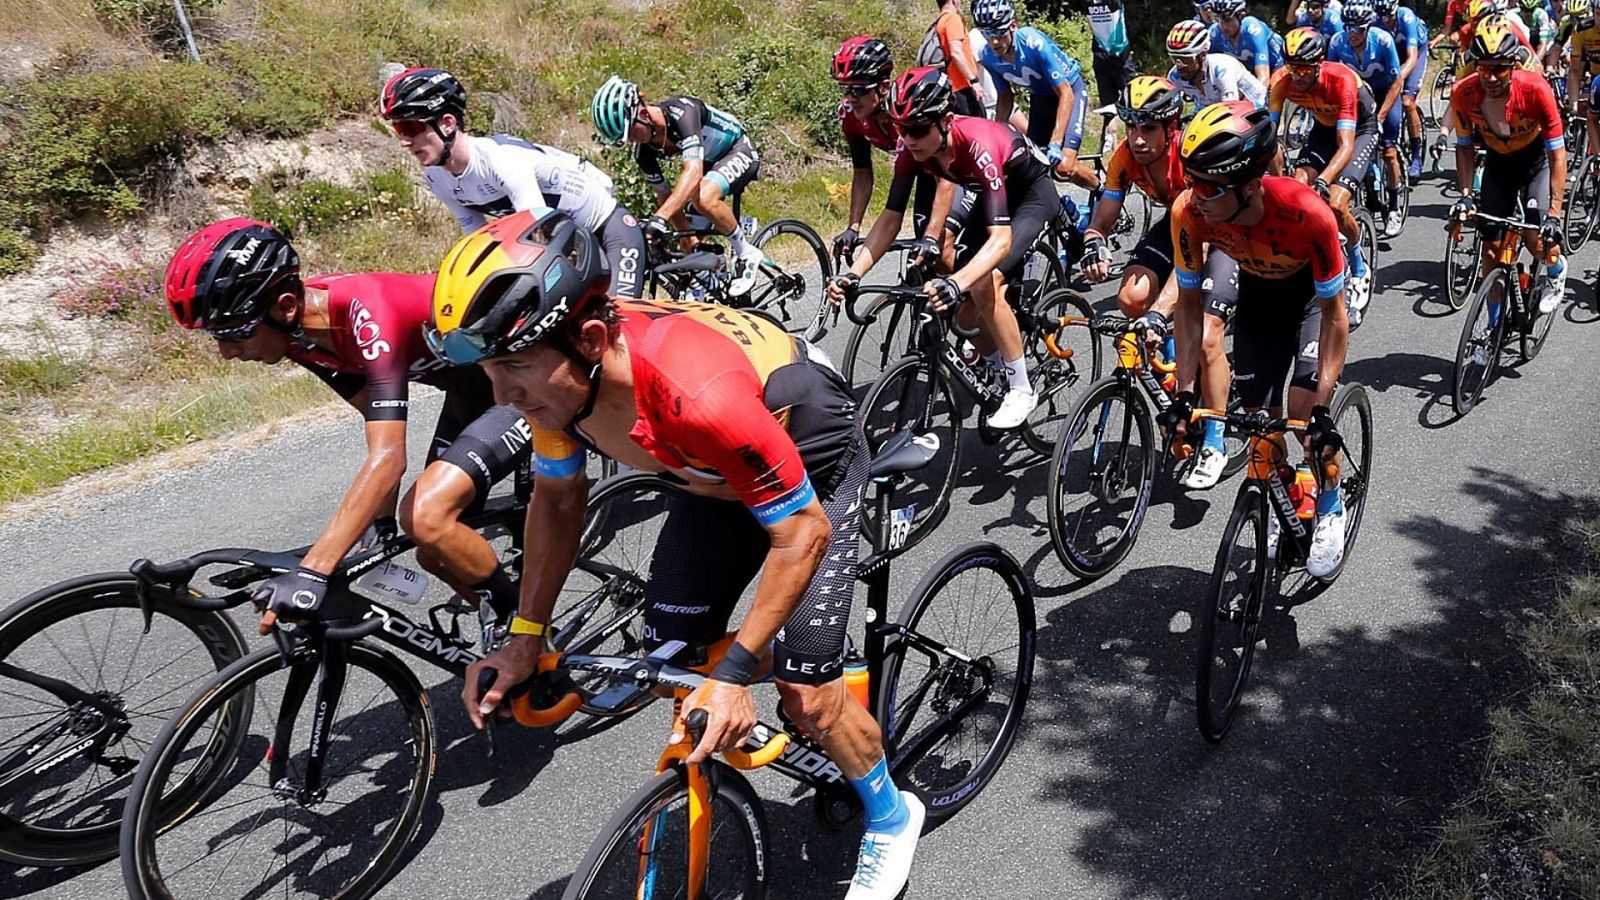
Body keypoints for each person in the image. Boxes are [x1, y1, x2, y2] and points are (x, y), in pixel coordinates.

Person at [444, 209, 920, 900]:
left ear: (592, 339)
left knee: (806, 692)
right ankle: (802, 659)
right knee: (670, 654)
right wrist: (524, 636)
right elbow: (556, 501)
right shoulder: (559, 385)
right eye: (491, 367)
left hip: (808, 460)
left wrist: (735, 675)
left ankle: (890, 810)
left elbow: (801, 533)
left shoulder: (695, 393)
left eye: (515, 366)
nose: (502, 394)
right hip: (713, 475)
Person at [164, 219, 532, 633]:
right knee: (436, 551)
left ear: (285, 306)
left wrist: (314, 570)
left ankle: (531, 640)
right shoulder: (302, 339)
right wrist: (379, 521)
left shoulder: (366, 313)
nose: (226, 352)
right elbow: (377, 420)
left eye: (234, 333)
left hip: (523, 381)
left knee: (427, 517)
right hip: (472, 391)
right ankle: (505, 629)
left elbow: (390, 457)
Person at [1168, 100, 1353, 576]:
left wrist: (1324, 408)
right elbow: (1189, 312)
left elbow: (1336, 317)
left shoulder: (1307, 213)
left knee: (1306, 419)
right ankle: (1284, 496)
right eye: (1191, 179)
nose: (1195, 194)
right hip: (1260, 300)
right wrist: (1183, 393)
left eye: (1209, 186)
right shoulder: (1190, 213)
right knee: (1262, 431)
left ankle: (1330, 504)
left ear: (1250, 185)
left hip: (1311, 300)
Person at [825, 67, 1051, 430]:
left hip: (1030, 196)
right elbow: (889, 218)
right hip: (990, 195)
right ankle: (996, 366)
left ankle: (1022, 388)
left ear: (945, 121)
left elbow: (1000, 240)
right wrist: (853, 274)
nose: (908, 139)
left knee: (982, 282)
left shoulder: (975, 141)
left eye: (917, 130)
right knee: (965, 313)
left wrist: (957, 282)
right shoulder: (914, 150)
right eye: (901, 129)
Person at [1081, 76, 1241, 489]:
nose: (1136, 138)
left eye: (1147, 127)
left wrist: (1160, 312)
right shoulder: (1124, 158)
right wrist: (1093, 243)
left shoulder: (1191, 156)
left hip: (1218, 233)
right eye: (1131, 126)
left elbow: (1195, 256)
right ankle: (1175, 368)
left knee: (1206, 334)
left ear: (1171, 127)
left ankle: (1215, 440)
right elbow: (1105, 216)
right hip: (1176, 224)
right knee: (1131, 298)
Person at [381, 68, 646, 300]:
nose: (404, 141)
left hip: (606, 228)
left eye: (411, 129)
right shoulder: (436, 176)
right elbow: (478, 240)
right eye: (398, 130)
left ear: (448, 123)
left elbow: (541, 240)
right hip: (570, 240)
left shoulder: (500, 161)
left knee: (619, 323)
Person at [589, 76, 765, 294]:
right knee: (688, 241)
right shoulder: (643, 153)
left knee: (702, 198)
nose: (633, 141)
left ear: (643, 114)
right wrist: (687, 237)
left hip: (737, 148)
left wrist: (660, 218)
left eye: (632, 133)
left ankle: (746, 253)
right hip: (708, 164)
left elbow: (693, 173)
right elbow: (663, 194)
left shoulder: (682, 112)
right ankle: (717, 280)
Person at [1449, 18, 1569, 314]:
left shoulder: (1536, 90)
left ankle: (1556, 270)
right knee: (1491, 250)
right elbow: (1464, 148)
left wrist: (1554, 214)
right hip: (1498, 163)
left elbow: (1558, 155)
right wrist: (1465, 194)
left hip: (1535, 162)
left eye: (1499, 69)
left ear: (1514, 65)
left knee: (1535, 240)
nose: (1491, 77)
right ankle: (1491, 328)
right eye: (1484, 68)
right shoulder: (1463, 94)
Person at [1270, 27, 1379, 326]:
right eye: (1292, 67)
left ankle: (1359, 268)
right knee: (1295, 188)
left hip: (1359, 130)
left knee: (1334, 201)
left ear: (1319, 63)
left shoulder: (1340, 79)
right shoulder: (1282, 82)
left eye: (1304, 68)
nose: (1298, 75)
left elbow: (1345, 145)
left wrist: (1323, 180)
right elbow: (1269, 139)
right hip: (1323, 128)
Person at [829, 37, 958, 265]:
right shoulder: (850, 116)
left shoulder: (908, 110)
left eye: (857, 90)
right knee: (925, 256)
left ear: (884, 87)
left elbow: (945, 178)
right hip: (921, 169)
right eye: (844, 88)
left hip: (953, 171)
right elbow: (862, 171)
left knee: (940, 244)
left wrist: (932, 235)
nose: (849, 98)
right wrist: (854, 226)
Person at [972, 0, 1100, 187]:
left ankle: (1102, 193)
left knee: (1064, 166)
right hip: (1041, 99)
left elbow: (1065, 93)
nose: (994, 41)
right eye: (987, 34)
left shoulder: (1033, 43)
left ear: (1013, 26)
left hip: (1070, 90)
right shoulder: (987, 56)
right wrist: (995, 134)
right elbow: (1005, 96)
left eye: (999, 32)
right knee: (1032, 166)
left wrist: (1055, 143)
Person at [1330, 1, 1407, 234]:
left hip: (1385, 93)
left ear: (1368, 27)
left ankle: (1394, 207)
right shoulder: (1336, 42)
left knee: (1389, 151)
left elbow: (1397, 81)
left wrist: (1381, 117)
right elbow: (1331, 78)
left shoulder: (1383, 40)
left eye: (1358, 29)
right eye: (1348, 28)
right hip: (1357, 97)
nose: (1352, 34)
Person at [1373, 0, 1432, 181]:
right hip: (1393, 55)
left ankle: (1416, 155)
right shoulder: (1375, 22)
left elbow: (1412, 57)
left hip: (1415, 52)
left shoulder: (1406, 16)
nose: (1387, 21)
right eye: (1382, 18)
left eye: (1389, 17)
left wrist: (1398, 82)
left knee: (1407, 100)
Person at [1166, 19, 1269, 109]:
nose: (1179, 66)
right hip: (1212, 105)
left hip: (1253, 103)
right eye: (1175, 58)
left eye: (1186, 59)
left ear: (1202, 55)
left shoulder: (1221, 70)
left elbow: (1230, 111)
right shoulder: (1174, 76)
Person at [927, 0, 987, 116]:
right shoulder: (952, 19)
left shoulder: (940, 21)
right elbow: (956, 53)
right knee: (979, 128)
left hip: (954, 86)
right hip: (963, 86)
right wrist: (973, 80)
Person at [1209, 0, 1288, 85]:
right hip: (1251, 68)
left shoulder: (1253, 29)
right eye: (1218, 19)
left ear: (1241, 16)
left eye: (1228, 20)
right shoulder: (1214, 32)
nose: (1223, 26)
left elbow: (1264, 78)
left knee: (1272, 91)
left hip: (1278, 64)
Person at [1087, 0, 1138, 110]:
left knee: (1134, 100)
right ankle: (1110, 125)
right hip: (1100, 54)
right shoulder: (1087, 2)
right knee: (1108, 106)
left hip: (1120, 54)